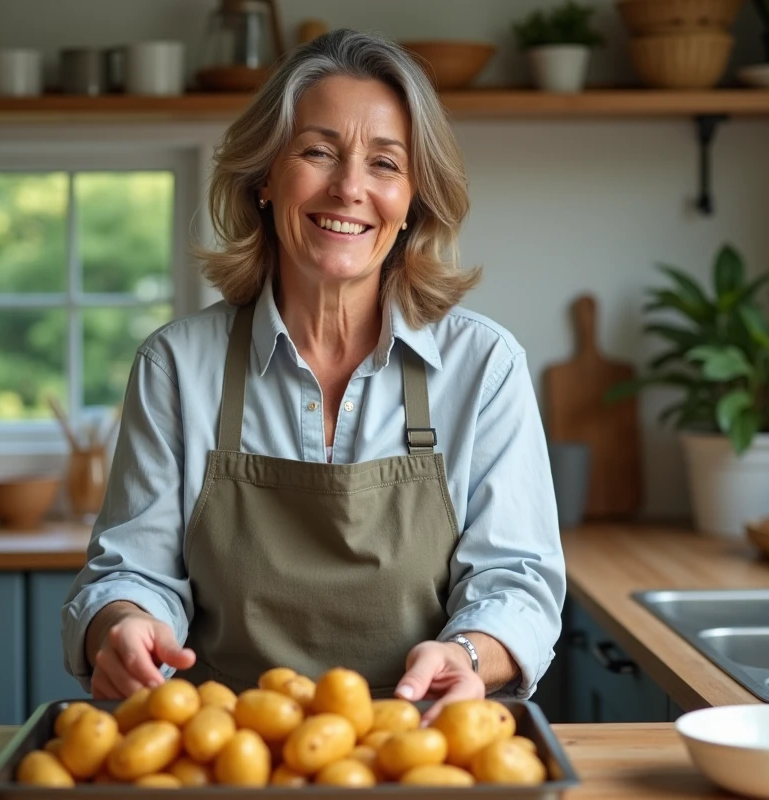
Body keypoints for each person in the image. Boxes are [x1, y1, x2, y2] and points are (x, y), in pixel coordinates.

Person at [62, 28, 565, 721]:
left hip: (422, 743)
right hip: (228, 750)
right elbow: (132, 573)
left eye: (385, 164)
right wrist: (121, 625)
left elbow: (518, 580)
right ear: (265, 176)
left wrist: (472, 653)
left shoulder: (484, 367)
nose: (350, 188)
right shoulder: (177, 365)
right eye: (318, 152)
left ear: (414, 198)